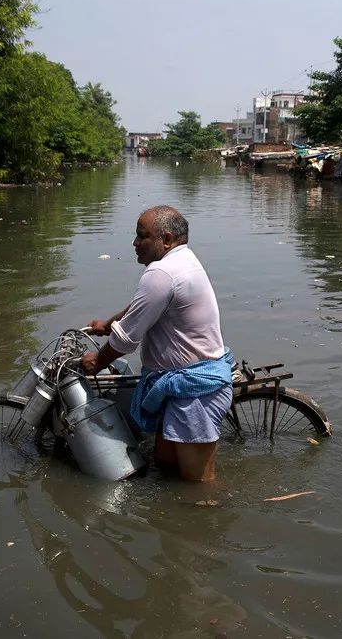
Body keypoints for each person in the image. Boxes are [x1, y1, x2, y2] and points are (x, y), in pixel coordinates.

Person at [80, 206, 233, 482]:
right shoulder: (182, 260)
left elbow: (126, 341)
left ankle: (207, 521)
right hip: (178, 384)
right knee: (165, 467)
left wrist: (98, 362)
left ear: (166, 239)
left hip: (192, 391)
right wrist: (107, 325)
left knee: (198, 485)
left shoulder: (161, 274)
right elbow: (140, 309)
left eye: (142, 236)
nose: (135, 243)